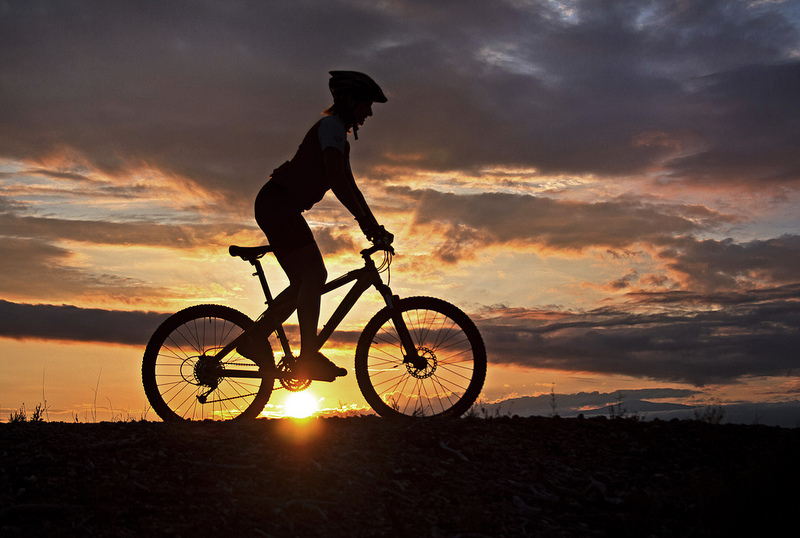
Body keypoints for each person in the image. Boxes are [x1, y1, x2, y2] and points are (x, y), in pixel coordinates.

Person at [237, 71, 393, 382]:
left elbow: (351, 187)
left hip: (279, 205)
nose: (370, 112)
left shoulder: (339, 138)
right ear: (349, 101)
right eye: (367, 104)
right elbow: (337, 181)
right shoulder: (332, 128)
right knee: (314, 275)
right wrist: (366, 223)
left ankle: (256, 338)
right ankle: (307, 356)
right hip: (277, 204)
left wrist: (373, 226)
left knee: (303, 285)